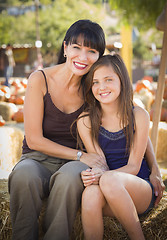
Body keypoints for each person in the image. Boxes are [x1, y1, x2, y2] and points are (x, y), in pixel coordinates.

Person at [8, 19, 164, 240]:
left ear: (99, 56)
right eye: (76, 48)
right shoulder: (40, 79)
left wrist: (155, 169)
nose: (82, 57)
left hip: (76, 164)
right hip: (41, 157)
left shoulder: (96, 85)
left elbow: (134, 118)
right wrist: (83, 155)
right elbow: (33, 139)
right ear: (65, 48)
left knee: (69, 179)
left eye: (91, 51)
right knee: (23, 176)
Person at [77, 54, 164, 240]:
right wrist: (92, 174)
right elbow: (99, 163)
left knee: (109, 180)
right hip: (108, 190)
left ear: (122, 80)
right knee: (90, 193)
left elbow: (133, 166)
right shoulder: (85, 121)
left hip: (138, 188)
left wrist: (104, 176)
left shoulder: (138, 115)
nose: (102, 87)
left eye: (108, 80)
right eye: (95, 82)